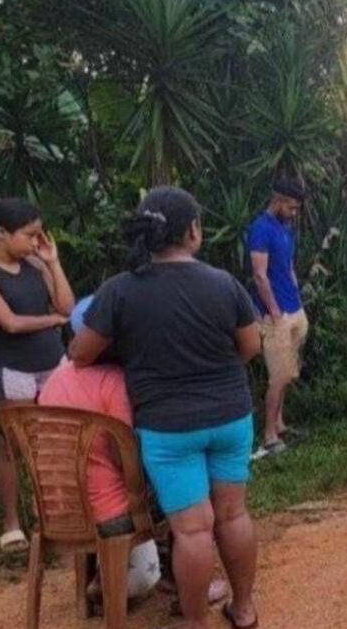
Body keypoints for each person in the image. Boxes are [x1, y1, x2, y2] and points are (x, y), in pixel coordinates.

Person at [70, 186, 262, 629]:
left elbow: (82, 352)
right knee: (233, 514)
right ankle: (244, 609)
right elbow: (250, 346)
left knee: (192, 529)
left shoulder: (119, 291)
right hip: (231, 416)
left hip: (168, 427)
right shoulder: (222, 283)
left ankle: (194, 623)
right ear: (193, 231)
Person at [39, 296, 162, 599]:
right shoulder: (115, 382)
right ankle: (116, 582)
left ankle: (100, 570)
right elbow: (126, 461)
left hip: (56, 508)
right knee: (177, 490)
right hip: (108, 514)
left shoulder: (55, 378)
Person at [0, 199, 74, 553]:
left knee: (56, 440)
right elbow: (9, 322)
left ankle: (53, 516)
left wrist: (52, 263)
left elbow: (68, 306)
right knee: (12, 444)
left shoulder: (36, 263)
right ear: (2, 234)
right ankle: (12, 523)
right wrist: (51, 321)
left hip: (51, 363)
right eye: (29, 235)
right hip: (12, 368)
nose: (36, 240)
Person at [249, 177, 309, 460]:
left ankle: (281, 424)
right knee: (279, 375)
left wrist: (295, 295)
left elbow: (287, 265)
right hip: (276, 314)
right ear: (279, 200)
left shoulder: (286, 228)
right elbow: (259, 274)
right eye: (292, 207)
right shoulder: (261, 229)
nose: (294, 213)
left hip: (293, 307)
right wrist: (273, 310)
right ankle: (269, 436)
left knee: (287, 373)